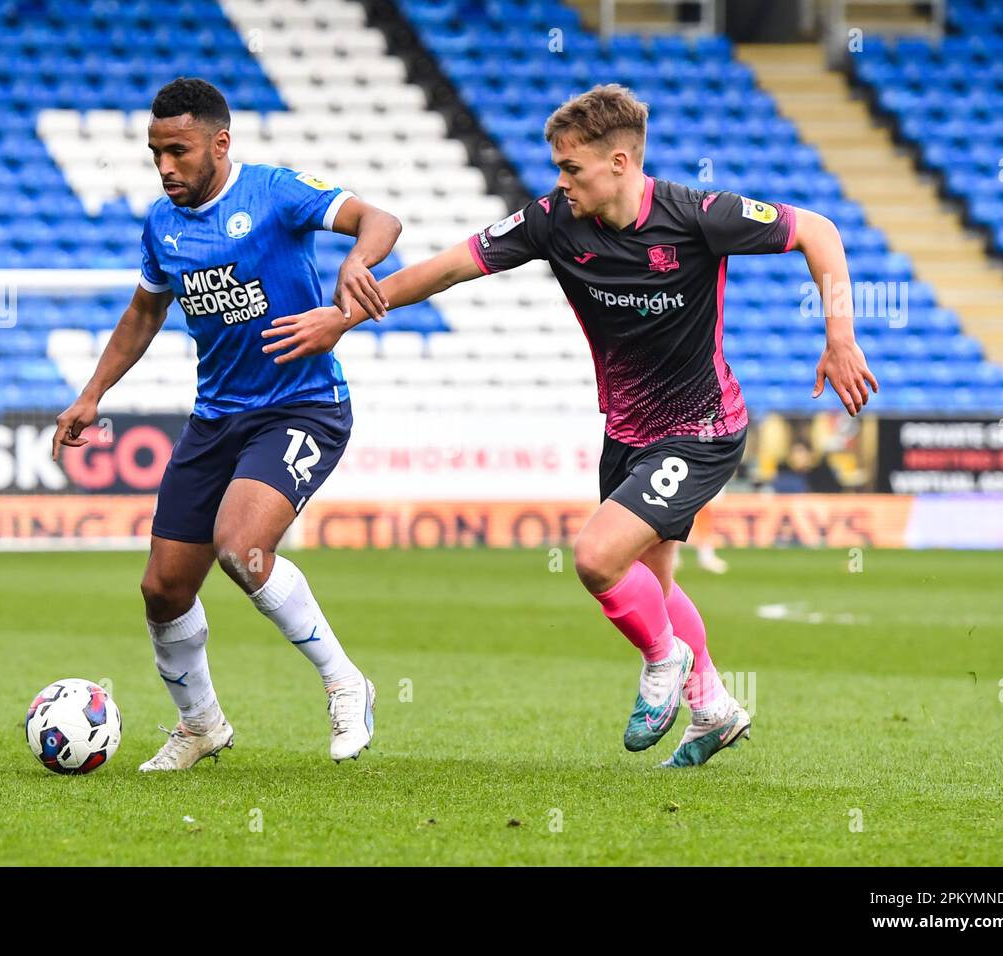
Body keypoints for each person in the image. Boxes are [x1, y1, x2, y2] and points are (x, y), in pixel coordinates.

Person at [263, 84, 878, 767]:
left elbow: (818, 231)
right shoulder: (554, 221)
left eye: (571, 167)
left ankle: (663, 664)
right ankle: (713, 708)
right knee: (655, 586)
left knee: (595, 558)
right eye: (557, 167)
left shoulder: (698, 215)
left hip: (702, 427)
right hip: (628, 431)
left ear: (620, 163)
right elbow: (443, 271)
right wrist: (341, 319)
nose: (560, 181)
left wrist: (841, 336)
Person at [52, 77, 403, 770]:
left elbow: (381, 220)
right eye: (155, 152)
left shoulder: (273, 191)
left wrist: (357, 263)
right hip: (215, 419)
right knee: (163, 588)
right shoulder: (160, 221)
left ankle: (345, 681)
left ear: (219, 143)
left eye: (177, 151)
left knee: (241, 547)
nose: (164, 167)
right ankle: (201, 725)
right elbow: (145, 311)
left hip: (303, 407)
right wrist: (92, 393)